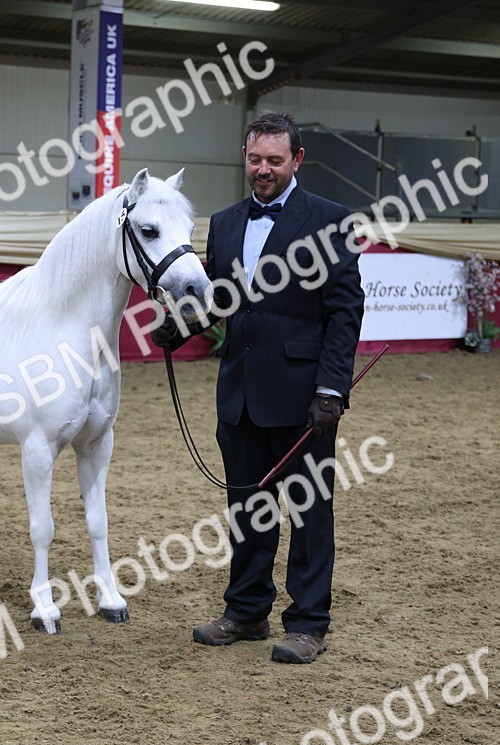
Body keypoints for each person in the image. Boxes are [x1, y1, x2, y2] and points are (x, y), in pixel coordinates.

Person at [153, 111, 364, 664]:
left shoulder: (331, 220)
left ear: (297, 160)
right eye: (255, 159)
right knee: (247, 510)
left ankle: (308, 623)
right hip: (240, 394)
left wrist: (332, 389)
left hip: (304, 398)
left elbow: (345, 312)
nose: (263, 169)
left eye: (274, 160)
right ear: (244, 158)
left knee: (309, 514)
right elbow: (221, 299)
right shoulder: (224, 223)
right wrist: (184, 325)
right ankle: (246, 611)